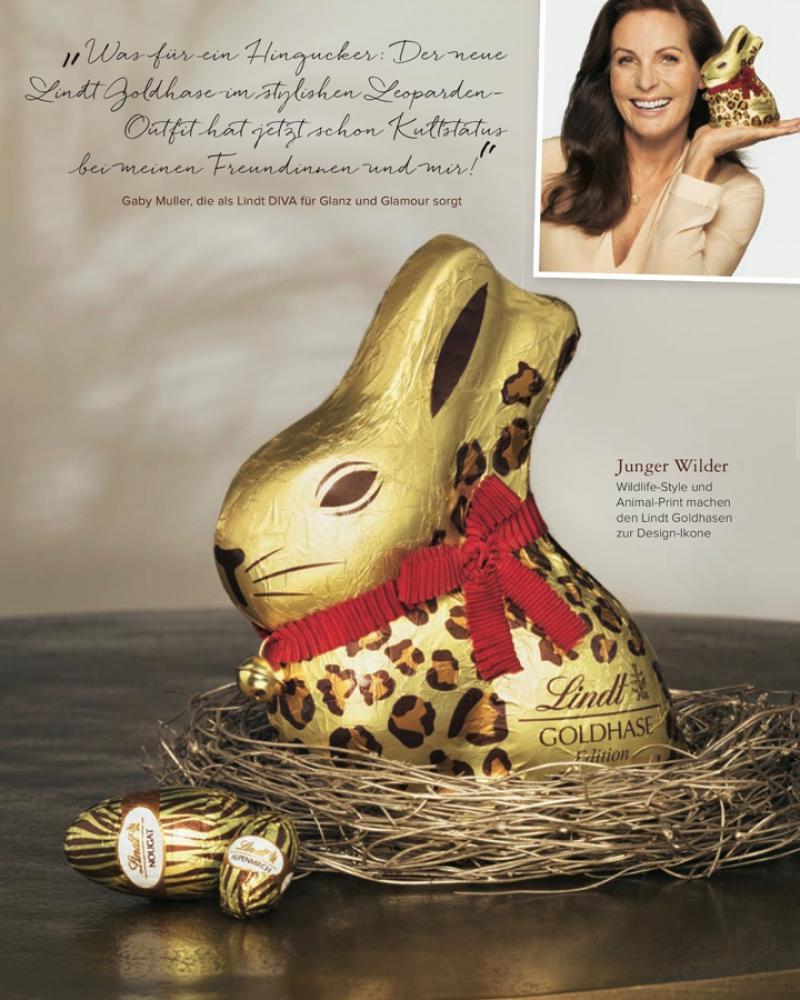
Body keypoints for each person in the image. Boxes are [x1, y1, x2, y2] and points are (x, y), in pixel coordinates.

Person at [539, 0, 800, 276]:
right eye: (626, 60)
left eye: (668, 59)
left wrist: (700, 158)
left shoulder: (736, 192)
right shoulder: (546, 163)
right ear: (609, 73)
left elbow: (677, 298)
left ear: (703, 72)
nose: (646, 82)